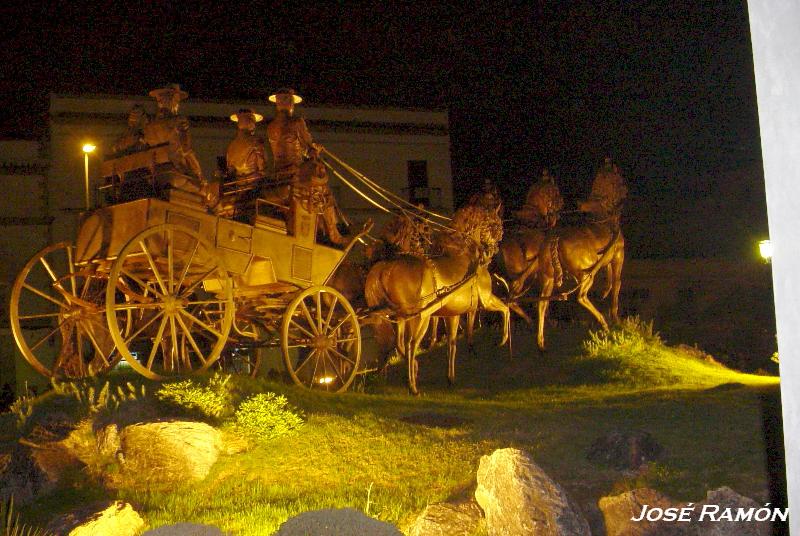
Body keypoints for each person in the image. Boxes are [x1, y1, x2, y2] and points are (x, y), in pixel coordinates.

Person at [266, 88, 346, 244]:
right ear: (291, 104)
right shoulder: (297, 122)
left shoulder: (271, 126)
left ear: (277, 104)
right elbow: (308, 148)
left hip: (278, 175)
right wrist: (315, 149)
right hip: (294, 172)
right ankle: (334, 234)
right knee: (325, 193)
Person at [143, 83, 207, 187]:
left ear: (159, 102)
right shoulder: (179, 121)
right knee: (202, 188)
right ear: (173, 100)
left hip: (154, 174)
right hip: (177, 171)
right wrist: (198, 173)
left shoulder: (148, 127)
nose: (178, 104)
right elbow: (187, 150)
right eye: (177, 101)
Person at [226, 108, 271, 179]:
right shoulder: (256, 141)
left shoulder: (231, 146)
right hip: (254, 181)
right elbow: (262, 164)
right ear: (250, 122)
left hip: (239, 183)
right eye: (253, 121)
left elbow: (230, 169)